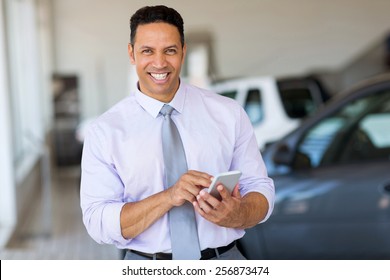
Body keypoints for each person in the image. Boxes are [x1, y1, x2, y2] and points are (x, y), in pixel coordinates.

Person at [80, 5, 275, 260]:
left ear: (183, 52)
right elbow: (97, 221)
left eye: (170, 51)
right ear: (131, 53)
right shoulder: (105, 131)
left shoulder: (228, 114)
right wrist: (169, 197)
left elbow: (260, 190)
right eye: (147, 51)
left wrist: (238, 213)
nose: (159, 63)